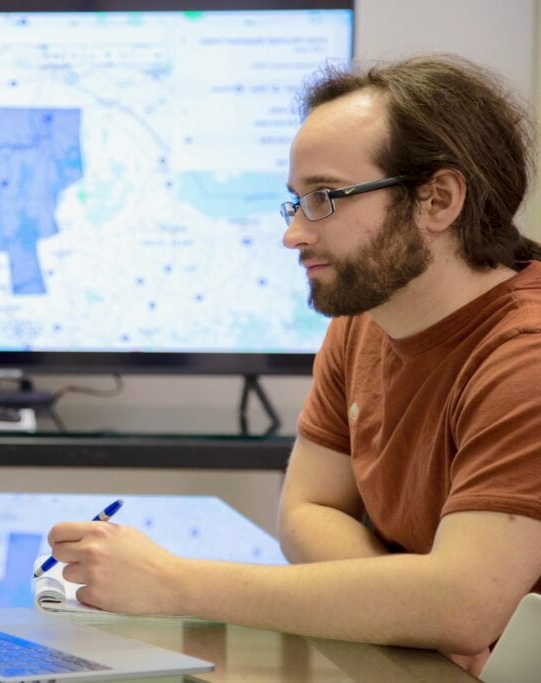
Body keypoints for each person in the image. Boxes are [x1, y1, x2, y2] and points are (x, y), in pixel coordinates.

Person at [45, 54, 541, 674]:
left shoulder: (526, 355)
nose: (295, 234)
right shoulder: (365, 319)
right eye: (297, 202)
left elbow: (465, 606)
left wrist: (170, 582)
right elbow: (306, 512)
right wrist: (411, 608)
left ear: (437, 200)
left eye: (326, 197)